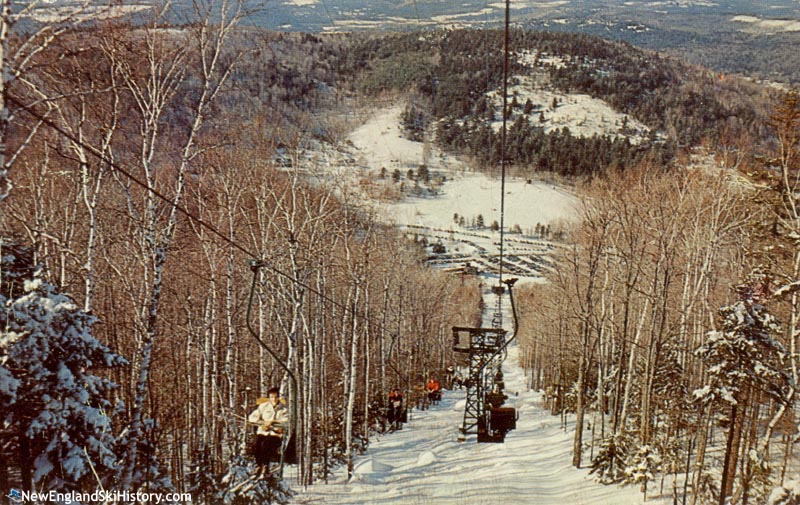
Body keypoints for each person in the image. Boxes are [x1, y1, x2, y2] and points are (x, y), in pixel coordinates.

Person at [248, 387, 288, 477]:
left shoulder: (283, 409)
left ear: (278, 397)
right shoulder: (263, 406)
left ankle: (266, 466)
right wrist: (262, 423)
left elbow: (285, 422)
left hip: (275, 434)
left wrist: (273, 424)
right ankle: (258, 465)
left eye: (276, 397)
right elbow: (252, 418)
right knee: (256, 444)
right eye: (272, 397)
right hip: (262, 432)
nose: (274, 399)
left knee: (266, 444)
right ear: (269, 397)